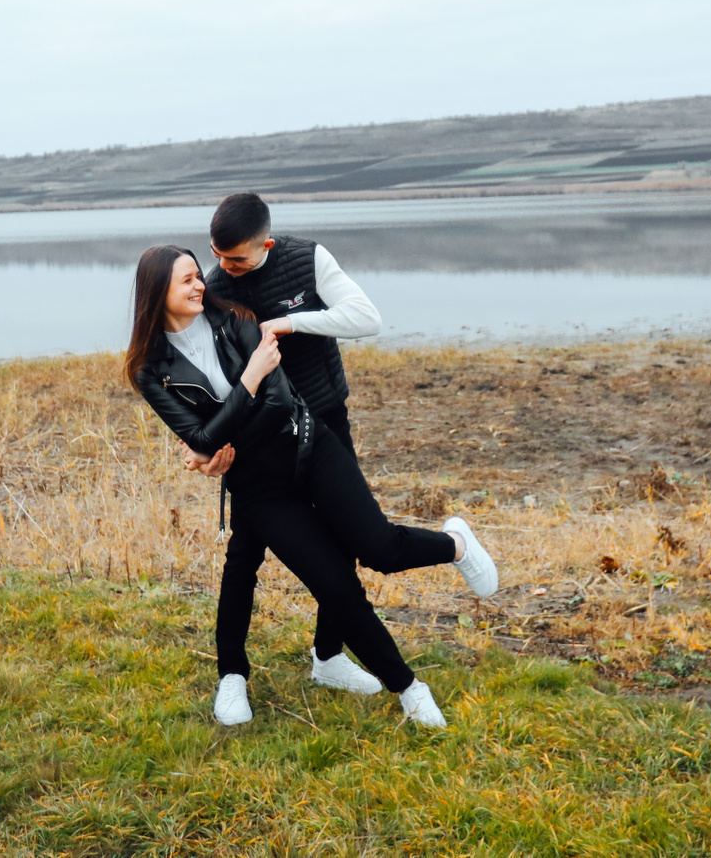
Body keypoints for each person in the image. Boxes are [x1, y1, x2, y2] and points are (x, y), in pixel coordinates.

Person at [127, 244, 496, 729]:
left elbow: (277, 403)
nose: (201, 285)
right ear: (158, 292)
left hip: (309, 446)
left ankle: (456, 543)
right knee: (336, 587)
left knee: (380, 549)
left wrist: (220, 437)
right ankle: (409, 688)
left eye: (199, 275)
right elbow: (198, 438)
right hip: (260, 488)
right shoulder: (149, 369)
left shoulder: (237, 319)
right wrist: (246, 385)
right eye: (187, 280)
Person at [185, 192, 404, 701]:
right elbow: (210, 377)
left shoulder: (307, 258)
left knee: (345, 539)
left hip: (325, 420)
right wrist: (206, 444)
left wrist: (293, 321)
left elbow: (366, 318)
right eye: (217, 255)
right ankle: (231, 675)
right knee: (244, 554)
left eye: (236, 258)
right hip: (259, 439)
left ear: (266, 244)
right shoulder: (216, 289)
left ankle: (329, 657)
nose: (224, 268)